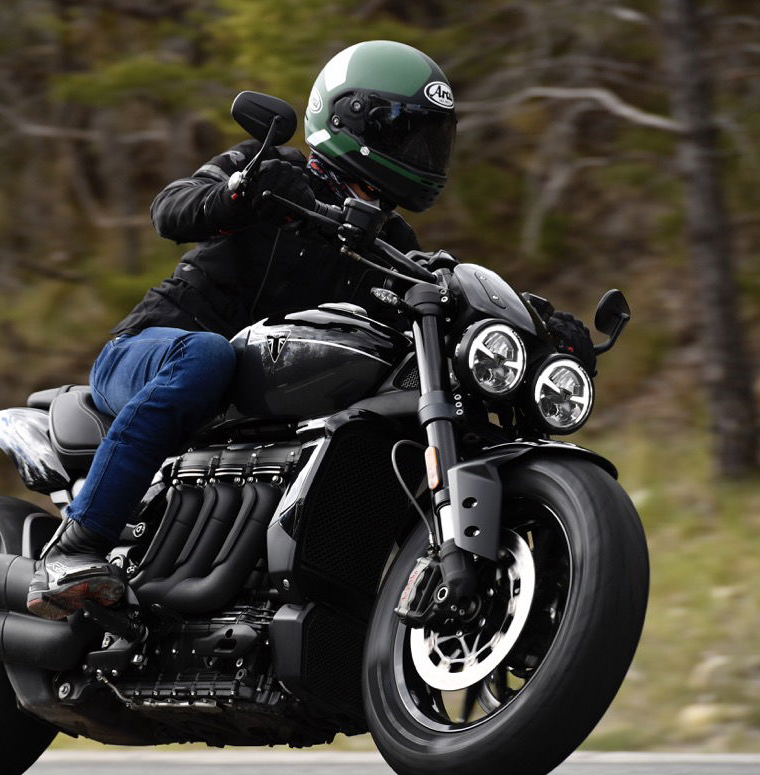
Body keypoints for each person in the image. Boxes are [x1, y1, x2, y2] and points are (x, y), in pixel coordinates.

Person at [25, 40, 461, 620]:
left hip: (252, 402)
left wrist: (531, 325)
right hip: (151, 350)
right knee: (207, 357)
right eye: (405, 132)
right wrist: (242, 194)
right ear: (352, 119)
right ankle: (75, 549)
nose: (420, 152)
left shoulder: (391, 244)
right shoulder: (265, 168)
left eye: (431, 137)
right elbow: (170, 208)